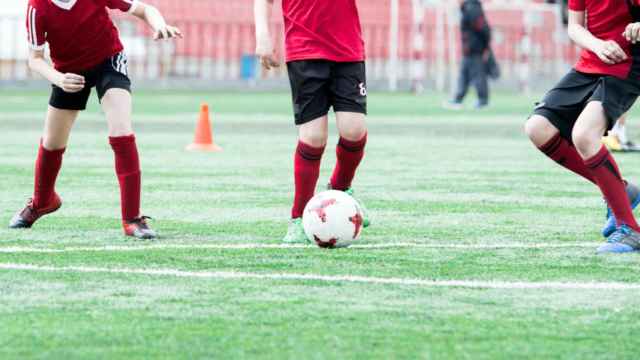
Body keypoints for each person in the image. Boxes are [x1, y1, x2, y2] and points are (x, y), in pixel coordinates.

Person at [10, 0, 182, 239]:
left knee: (121, 131)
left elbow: (145, 10)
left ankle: (132, 219)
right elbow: (35, 59)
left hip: (108, 62)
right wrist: (59, 79)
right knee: (52, 143)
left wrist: (160, 25)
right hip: (68, 73)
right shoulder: (36, 7)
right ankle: (42, 202)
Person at [524, 0, 640, 253]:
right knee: (538, 128)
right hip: (592, 61)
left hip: (629, 65)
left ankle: (629, 230)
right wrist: (598, 46)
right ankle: (622, 190)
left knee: (584, 135)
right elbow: (575, 27)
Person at [254, 0, 370, 244]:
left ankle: (341, 191)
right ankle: (298, 218)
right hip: (304, 49)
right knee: (313, 137)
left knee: (354, 130)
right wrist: (262, 35)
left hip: (348, 49)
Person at [446, 0, 492, 110]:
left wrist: (485, 47)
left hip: (475, 49)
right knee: (464, 74)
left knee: (478, 75)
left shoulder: (472, 8)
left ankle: (483, 101)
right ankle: (458, 99)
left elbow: (484, 29)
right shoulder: (468, 8)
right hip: (469, 49)